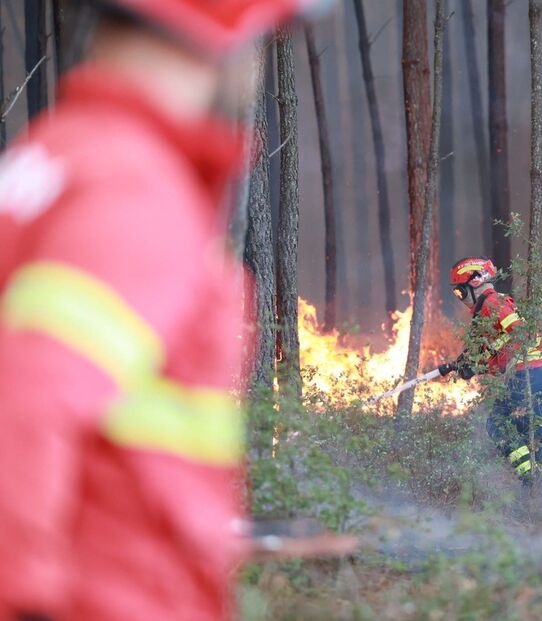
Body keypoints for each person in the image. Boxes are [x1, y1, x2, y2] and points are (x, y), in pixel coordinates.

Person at [0, 1, 330, 619]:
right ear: (229, 32)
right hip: (107, 598)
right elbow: (28, 398)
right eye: (265, 37)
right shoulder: (135, 190)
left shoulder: (54, 154)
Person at [440, 257, 542, 486]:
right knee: (531, 433)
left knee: (497, 424)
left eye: (459, 291)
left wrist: (484, 355)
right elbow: (504, 355)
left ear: (475, 282)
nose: (459, 297)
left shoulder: (493, 304)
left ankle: (530, 481)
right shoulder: (494, 305)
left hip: (528, 374)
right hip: (541, 373)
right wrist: (473, 365)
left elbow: (519, 334)